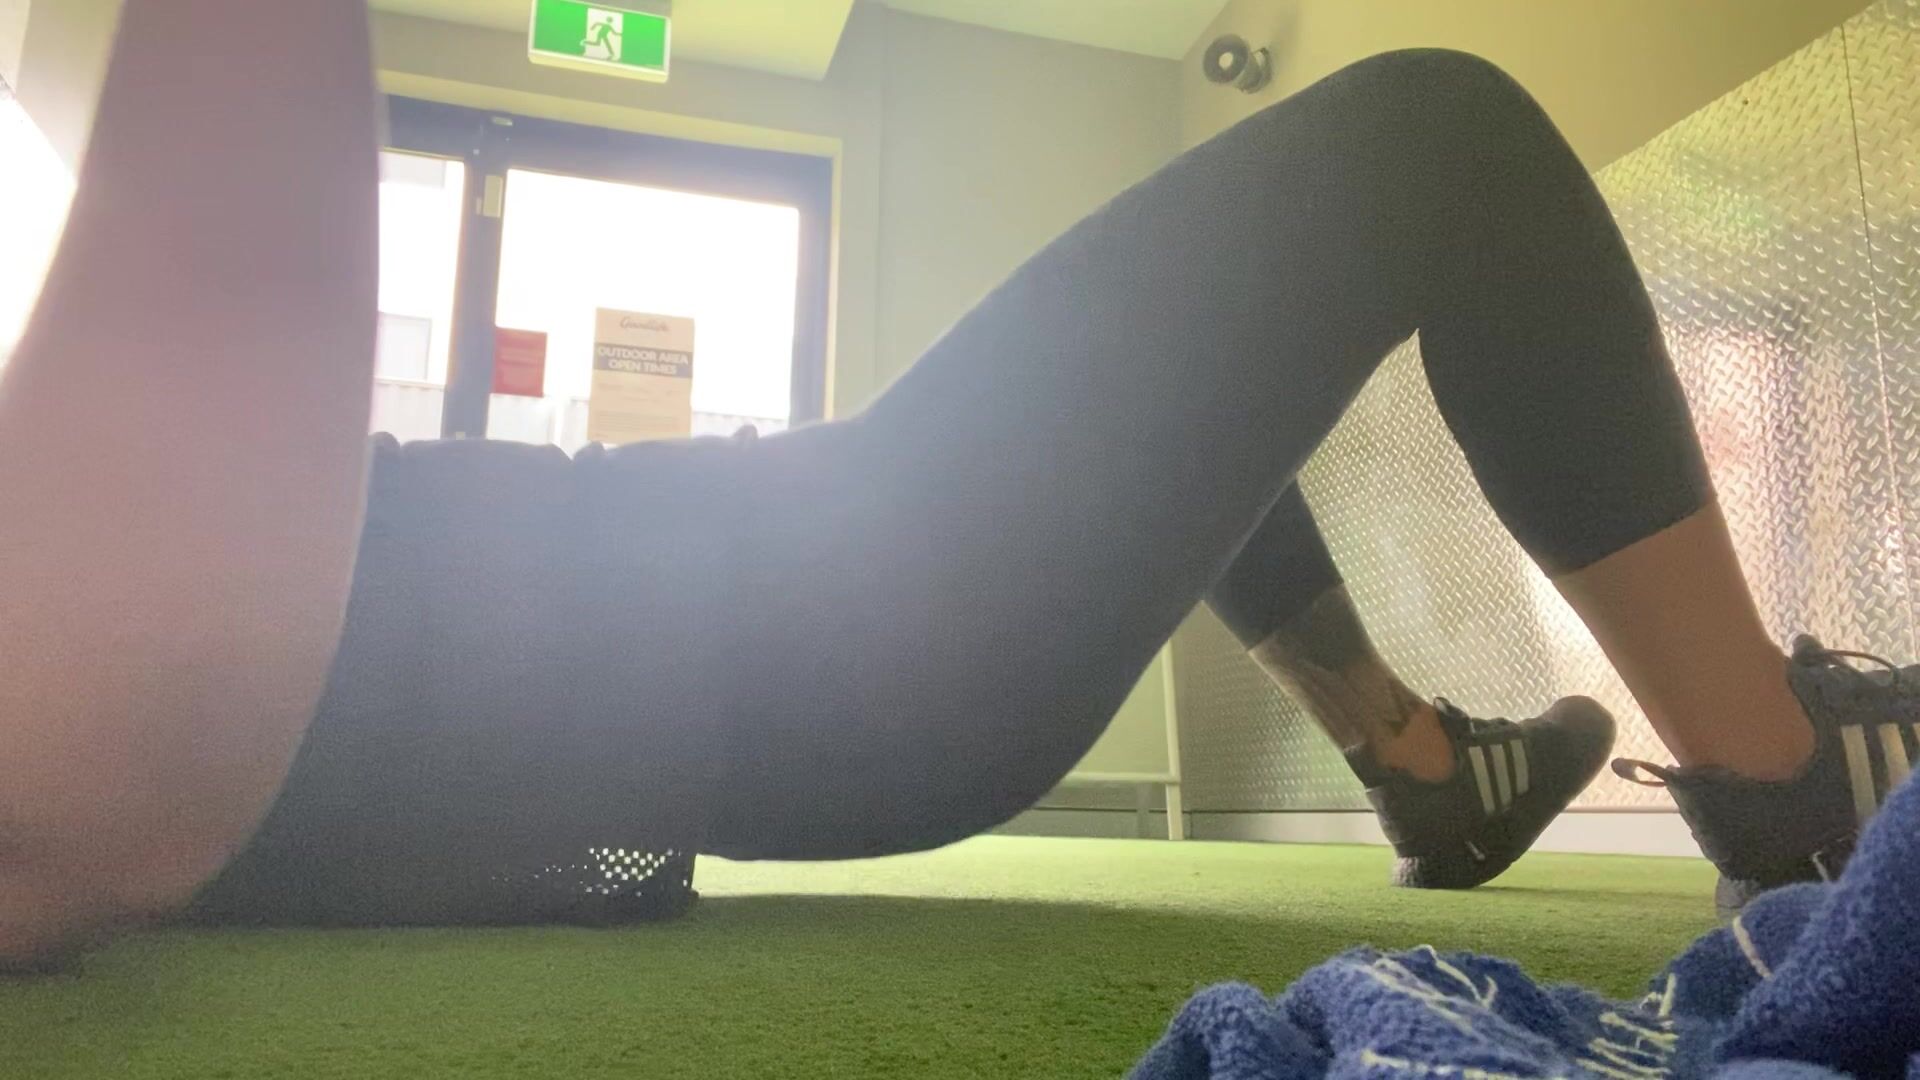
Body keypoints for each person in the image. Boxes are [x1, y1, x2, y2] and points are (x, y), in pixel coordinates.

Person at [2, 0, 1911, 969]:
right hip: (824, 632)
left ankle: (1422, 765)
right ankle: (1789, 796)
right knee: (1440, 143)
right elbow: (100, 774)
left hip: (770, 608)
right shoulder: (86, 689)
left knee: (1172, 394)